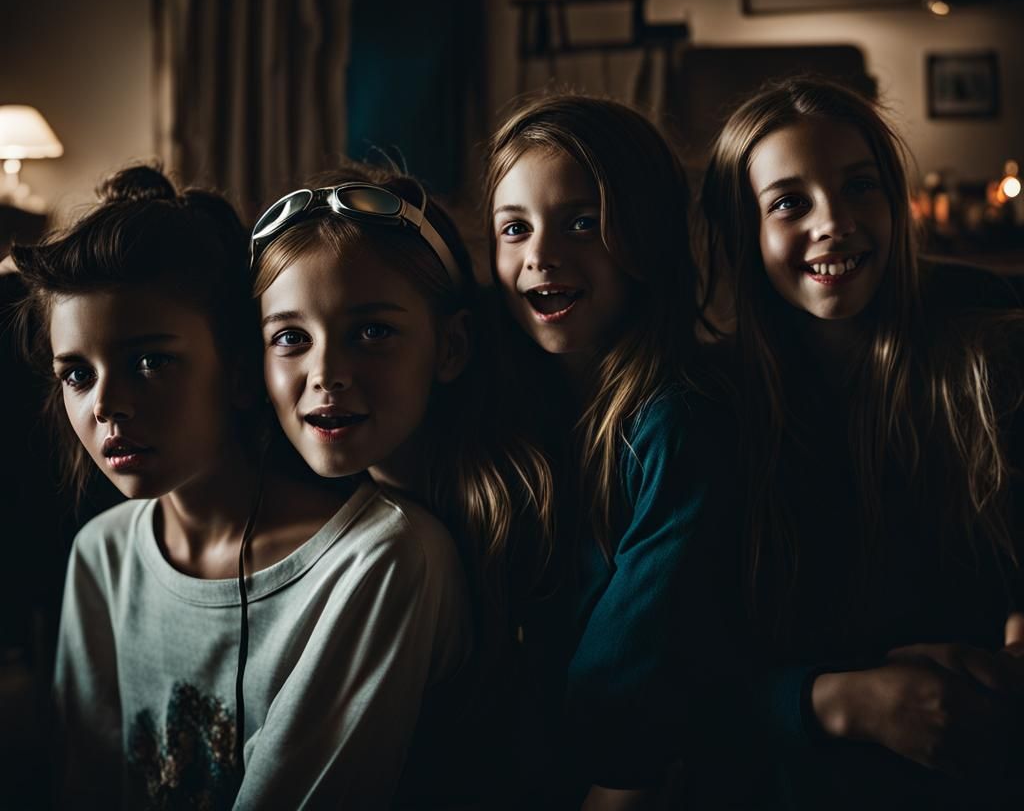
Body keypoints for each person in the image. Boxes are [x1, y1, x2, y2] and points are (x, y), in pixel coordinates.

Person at [14, 165, 471, 810]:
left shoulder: (383, 558)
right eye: (77, 375)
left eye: (151, 362)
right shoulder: (102, 555)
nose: (107, 406)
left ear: (240, 371)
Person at [700, 76, 1024, 809]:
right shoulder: (706, 406)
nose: (835, 222)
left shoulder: (983, 334)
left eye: (860, 187)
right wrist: (838, 703)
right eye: (789, 202)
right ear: (738, 230)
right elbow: (677, 675)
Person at [249, 164, 555, 805]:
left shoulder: (521, 510)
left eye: (372, 332)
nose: (326, 373)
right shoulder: (281, 520)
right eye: (291, 338)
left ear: (450, 348)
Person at [484, 94, 726, 810]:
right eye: (514, 228)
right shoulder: (502, 407)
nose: (541, 256)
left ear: (645, 236)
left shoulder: (675, 426)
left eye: (583, 223)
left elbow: (631, 684)